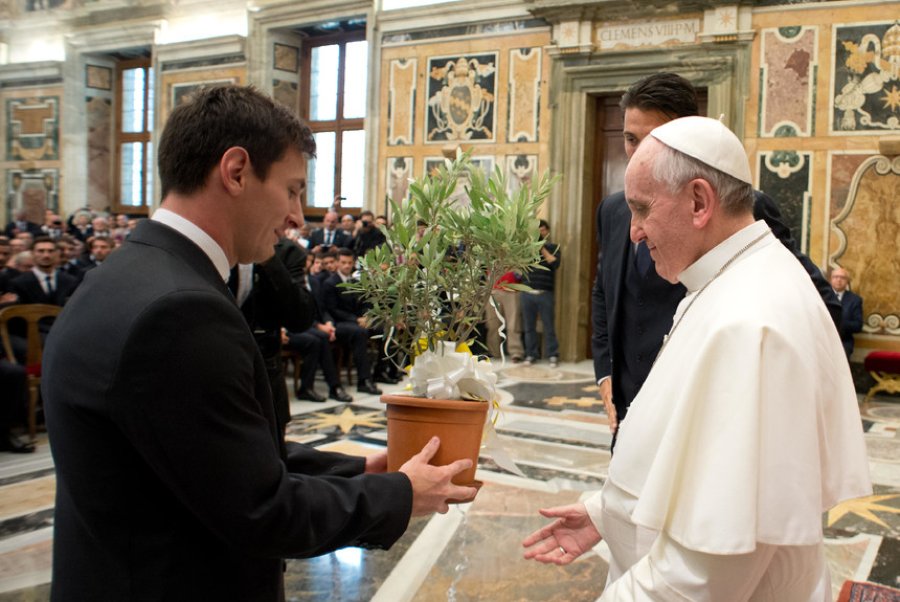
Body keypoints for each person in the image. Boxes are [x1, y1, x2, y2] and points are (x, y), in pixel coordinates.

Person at [42, 85, 476, 601]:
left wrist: (360, 468)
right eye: (293, 190)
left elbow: (215, 457)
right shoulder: (179, 312)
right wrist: (400, 496)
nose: (298, 217)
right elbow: (261, 509)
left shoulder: (133, 273)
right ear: (236, 171)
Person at [524, 116, 871, 599]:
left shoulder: (753, 321)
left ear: (699, 201)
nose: (635, 234)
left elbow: (704, 571)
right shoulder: (728, 277)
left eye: (642, 210)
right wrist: (609, 514)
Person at [591, 72, 841, 449]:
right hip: (630, 426)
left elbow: (820, 310)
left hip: (706, 434)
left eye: (653, 140)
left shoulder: (743, 209)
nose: (638, 153)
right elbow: (603, 292)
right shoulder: (612, 211)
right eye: (630, 139)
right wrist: (605, 373)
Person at [520, 219, 561, 367]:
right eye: (537, 230)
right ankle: (531, 354)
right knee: (529, 326)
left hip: (545, 293)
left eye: (542, 230)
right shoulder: (527, 249)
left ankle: (553, 355)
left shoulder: (553, 247)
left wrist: (541, 246)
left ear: (547, 231)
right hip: (527, 293)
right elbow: (519, 267)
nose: (540, 233)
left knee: (549, 325)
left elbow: (555, 263)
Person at [831, 266, 863, 358]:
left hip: (843, 342)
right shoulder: (821, 297)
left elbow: (858, 325)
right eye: (836, 277)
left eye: (842, 278)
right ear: (831, 279)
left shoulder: (855, 300)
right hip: (823, 340)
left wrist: (840, 323)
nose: (839, 280)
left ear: (847, 281)